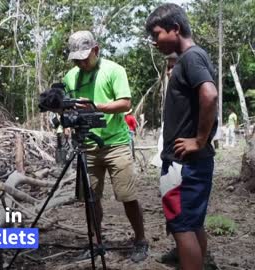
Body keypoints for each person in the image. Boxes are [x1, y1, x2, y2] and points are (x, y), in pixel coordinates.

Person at [63, 30, 148, 262]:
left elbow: (125, 103)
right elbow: (67, 103)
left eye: (85, 57)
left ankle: (140, 240)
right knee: (90, 198)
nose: (81, 62)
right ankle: (96, 242)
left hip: (115, 144)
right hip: (87, 145)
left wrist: (95, 107)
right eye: (77, 58)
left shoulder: (114, 70)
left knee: (127, 195)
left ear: (96, 50)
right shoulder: (71, 76)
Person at [146, 4, 218, 270]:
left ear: (175, 29)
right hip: (190, 162)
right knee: (192, 223)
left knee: (182, 227)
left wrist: (199, 140)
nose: (154, 42)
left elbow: (209, 95)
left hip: (183, 164)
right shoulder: (190, 59)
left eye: (157, 34)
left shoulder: (191, 58)